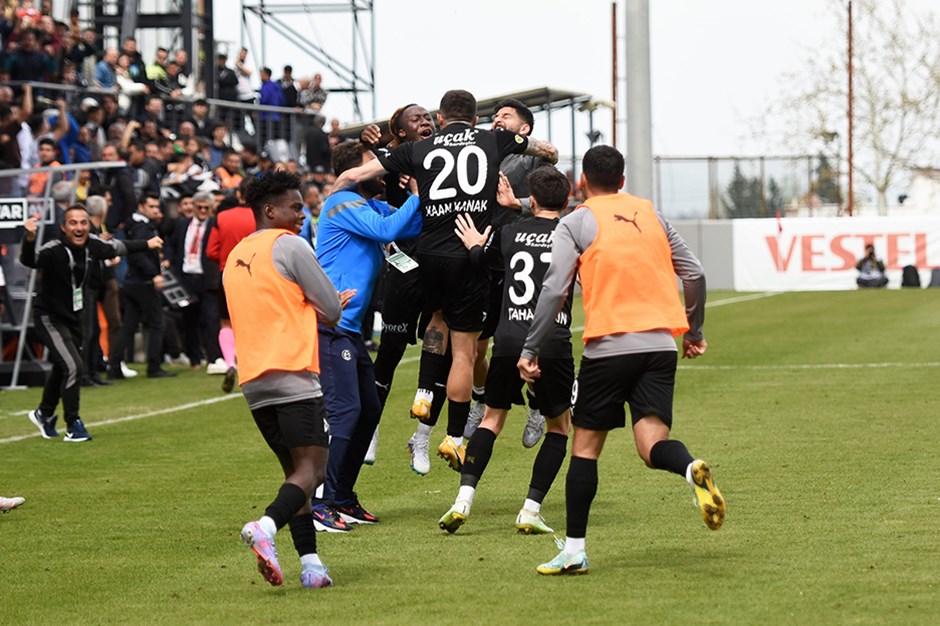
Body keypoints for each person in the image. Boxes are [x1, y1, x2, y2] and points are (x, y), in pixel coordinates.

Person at [517, 145, 725, 576]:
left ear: (582, 183)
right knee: (652, 447)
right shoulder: (652, 215)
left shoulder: (575, 222)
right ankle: (690, 469)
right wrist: (695, 332)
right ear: (623, 181)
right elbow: (695, 274)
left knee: (585, 449)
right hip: (661, 346)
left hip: (609, 347)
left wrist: (530, 348)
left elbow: (554, 290)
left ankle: (574, 551)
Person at [332, 89, 558, 473]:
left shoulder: (419, 150)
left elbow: (356, 173)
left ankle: (423, 399)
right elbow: (544, 149)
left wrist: (333, 198)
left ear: (440, 119)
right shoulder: (493, 139)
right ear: (474, 120)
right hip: (470, 254)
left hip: (427, 256)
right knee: (466, 352)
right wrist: (543, 151)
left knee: (437, 323)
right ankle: (453, 436)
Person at [439, 166, 576, 535]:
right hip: (552, 341)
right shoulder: (572, 233)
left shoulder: (511, 232)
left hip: (508, 340)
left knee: (491, 420)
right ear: (566, 202)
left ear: (532, 201)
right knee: (560, 429)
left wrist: (475, 248)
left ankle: (462, 500)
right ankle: (530, 510)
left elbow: (485, 264)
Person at [226, 170, 347, 589]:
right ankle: (265, 526)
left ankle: (312, 566)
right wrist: (327, 302)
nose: (302, 214)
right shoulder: (289, 245)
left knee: (295, 475)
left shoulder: (236, 256)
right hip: (294, 373)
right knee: (314, 470)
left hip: (255, 382)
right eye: (295, 207)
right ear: (269, 210)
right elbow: (332, 309)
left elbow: (270, 308)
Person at [311, 140, 421, 531]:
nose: (383, 169)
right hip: (330, 326)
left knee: (369, 411)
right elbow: (390, 228)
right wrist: (419, 192)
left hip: (351, 330)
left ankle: (342, 496)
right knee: (346, 413)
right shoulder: (341, 201)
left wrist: (418, 194)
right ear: (355, 173)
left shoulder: (368, 205)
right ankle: (320, 502)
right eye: (375, 165)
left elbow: (411, 223)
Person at [21, 205, 163, 442]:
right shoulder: (54, 249)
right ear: (64, 227)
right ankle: (73, 424)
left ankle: (44, 413)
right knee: (74, 366)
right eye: (73, 223)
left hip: (73, 317)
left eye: (83, 222)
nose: (79, 227)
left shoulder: (92, 246)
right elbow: (30, 260)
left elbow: (117, 247)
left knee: (63, 366)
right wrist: (30, 238)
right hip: (49, 317)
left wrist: (147, 244)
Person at [465, 98, 553, 447]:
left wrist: (516, 204)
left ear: (525, 128)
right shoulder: (482, 153)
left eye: (506, 116)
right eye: (495, 116)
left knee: (527, 341)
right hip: (486, 256)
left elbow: (552, 203)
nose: (497, 120)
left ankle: (538, 404)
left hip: (523, 258)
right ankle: (479, 398)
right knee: (476, 343)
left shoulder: (537, 158)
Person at [108, 193, 176, 379]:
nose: (156, 210)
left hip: (132, 282)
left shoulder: (137, 225)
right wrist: (153, 274)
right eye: (152, 206)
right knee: (157, 324)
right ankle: (154, 367)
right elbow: (137, 255)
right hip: (143, 282)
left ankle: (114, 367)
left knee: (128, 325)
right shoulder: (142, 228)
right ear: (141, 207)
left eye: (157, 206)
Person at [206, 178, 256, 389]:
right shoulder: (260, 217)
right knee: (254, 320)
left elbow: (211, 251)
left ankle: (229, 363)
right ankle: (251, 365)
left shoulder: (222, 217)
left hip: (227, 274)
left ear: (238, 194)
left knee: (226, 322)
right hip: (256, 273)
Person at [166, 191, 221, 370]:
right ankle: (195, 359)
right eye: (200, 207)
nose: (203, 211)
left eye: (207, 207)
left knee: (210, 319)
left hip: (207, 278)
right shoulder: (182, 224)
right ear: (194, 207)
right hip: (186, 277)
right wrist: (171, 264)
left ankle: (214, 357)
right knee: (189, 320)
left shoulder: (215, 225)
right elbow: (172, 244)